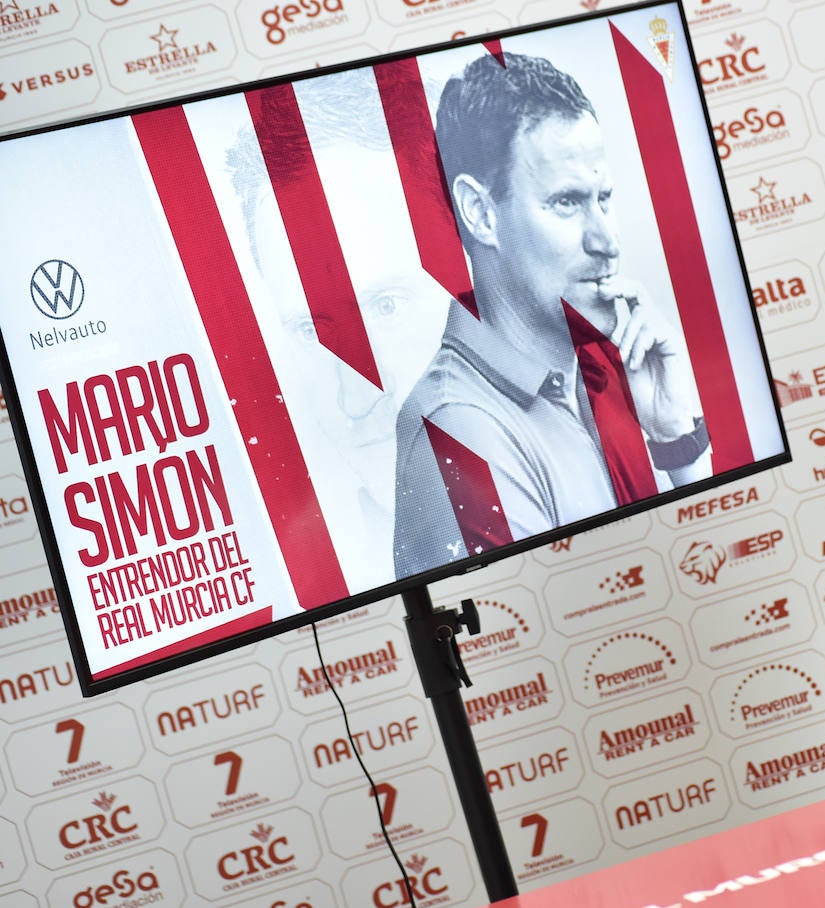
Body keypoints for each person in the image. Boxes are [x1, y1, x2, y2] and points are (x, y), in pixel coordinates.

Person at [392, 51, 708, 579]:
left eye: (604, 198)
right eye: (566, 202)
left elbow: (696, 580)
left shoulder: (605, 367)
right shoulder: (459, 428)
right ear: (480, 213)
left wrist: (677, 442)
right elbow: (566, 630)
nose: (607, 240)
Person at [226, 69, 450, 588]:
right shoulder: (290, 576)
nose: (355, 397)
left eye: (386, 307)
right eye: (311, 330)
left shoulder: (628, 461)